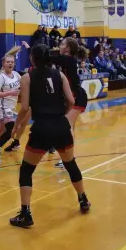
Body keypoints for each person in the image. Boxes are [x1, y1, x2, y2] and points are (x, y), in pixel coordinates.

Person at [9, 44, 90, 228]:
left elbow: (24, 107)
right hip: (60, 125)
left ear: (32, 59)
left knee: (26, 170)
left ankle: (25, 213)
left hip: (42, 128)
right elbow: (71, 100)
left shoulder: (27, 78)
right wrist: (63, 118)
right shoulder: (59, 75)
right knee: (71, 164)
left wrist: (16, 126)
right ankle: (83, 199)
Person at [50, 38, 89, 168]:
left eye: (61, 45)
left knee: (67, 126)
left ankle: (69, 159)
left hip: (76, 96)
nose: (59, 47)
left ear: (67, 49)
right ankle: (68, 157)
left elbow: (48, 58)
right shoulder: (68, 60)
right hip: (72, 95)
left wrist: (31, 50)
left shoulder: (67, 59)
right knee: (70, 126)